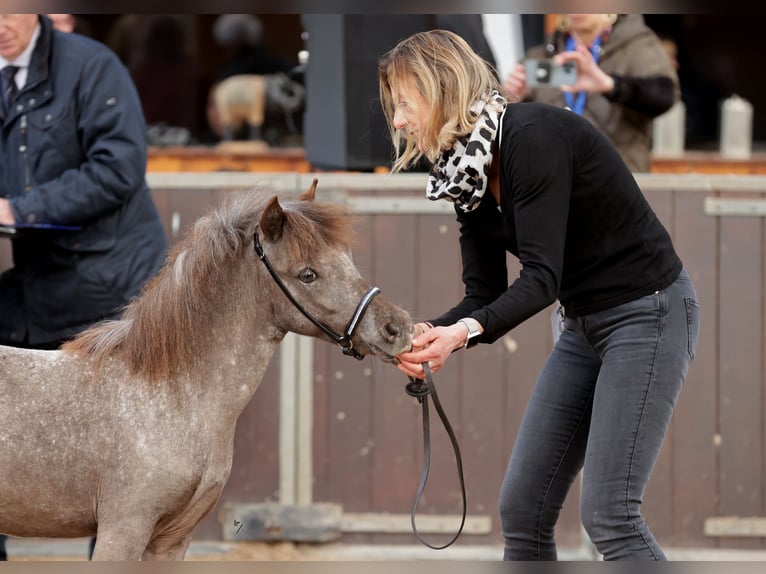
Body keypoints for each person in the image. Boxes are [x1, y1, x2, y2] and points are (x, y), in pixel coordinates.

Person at [380, 30, 699, 560]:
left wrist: (459, 335)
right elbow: (483, 292)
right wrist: (431, 332)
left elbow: (541, 279)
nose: (397, 121)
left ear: (441, 89)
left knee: (610, 515)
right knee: (523, 513)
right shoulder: (465, 171)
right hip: (585, 325)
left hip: (649, 314)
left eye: (404, 103)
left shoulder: (529, 138)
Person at [0, 14, 168, 561]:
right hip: (38, 278)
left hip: (114, 281)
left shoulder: (92, 66)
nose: (0, 24)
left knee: (123, 445)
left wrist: (20, 209)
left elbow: (119, 166)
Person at [503, 14, 679, 173]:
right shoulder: (543, 54)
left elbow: (666, 95)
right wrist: (513, 100)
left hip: (618, 184)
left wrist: (612, 85)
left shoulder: (636, 44)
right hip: (555, 183)